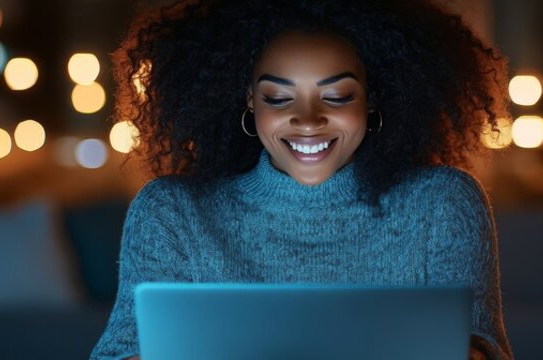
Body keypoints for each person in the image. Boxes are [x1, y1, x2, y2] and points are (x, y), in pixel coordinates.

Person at [92, 0, 513, 359]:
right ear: (249, 101)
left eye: (337, 96)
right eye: (278, 97)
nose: (308, 120)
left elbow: (484, 347)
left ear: (373, 99)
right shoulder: (174, 213)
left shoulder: (442, 205)